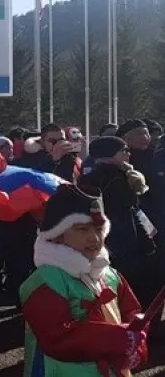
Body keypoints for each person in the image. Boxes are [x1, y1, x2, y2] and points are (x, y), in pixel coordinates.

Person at [19, 184, 148, 376]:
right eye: (82, 229)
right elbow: (57, 338)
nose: (94, 238)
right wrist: (116, 339)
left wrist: (137, 341)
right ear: (58, 235)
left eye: (98, 229)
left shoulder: (109, 274)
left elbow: (132, 311)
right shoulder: (46, 280)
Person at [79, 136, 163, 330]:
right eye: (123, 150)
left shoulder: (90, 176)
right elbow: (126, 215)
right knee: (143, 288)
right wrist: (145, 246)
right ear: (109, 155)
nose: (128, 153)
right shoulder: (116, 178)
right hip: (125, 242)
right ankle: (144, 331)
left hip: (104, 241)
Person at [16, 123, 81, 182]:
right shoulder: (29, 158)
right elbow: (37, 178)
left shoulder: (68, 158)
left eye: (61, 140)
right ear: (42, 142)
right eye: (52, 141)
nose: (58, 144)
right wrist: (53, 159)